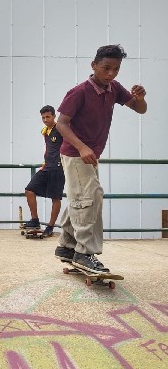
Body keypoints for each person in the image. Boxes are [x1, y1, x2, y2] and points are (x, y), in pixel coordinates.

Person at [54, 44, 147, 274]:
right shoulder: (79, 91)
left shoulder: (113, 89)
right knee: (91, 196)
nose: (111, 74)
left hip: (91, 154)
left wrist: (141, 98)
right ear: (93, 65)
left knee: (80, 197)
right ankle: (85, 252)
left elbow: (139, 109)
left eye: (116, 69)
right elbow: (60, 124)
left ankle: (67, 246)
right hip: (76, 153)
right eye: (106, 68)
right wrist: (82, 147)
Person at [23, 105, 65, 238]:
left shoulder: (60, 129)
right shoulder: (45, 130)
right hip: (46, 167)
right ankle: (35, 220)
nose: (45, 119)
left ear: (54, 116)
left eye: (48, 117)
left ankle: (50, 226)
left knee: (56, 197)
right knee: (29, 190)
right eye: (43, 117)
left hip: (58, 167)